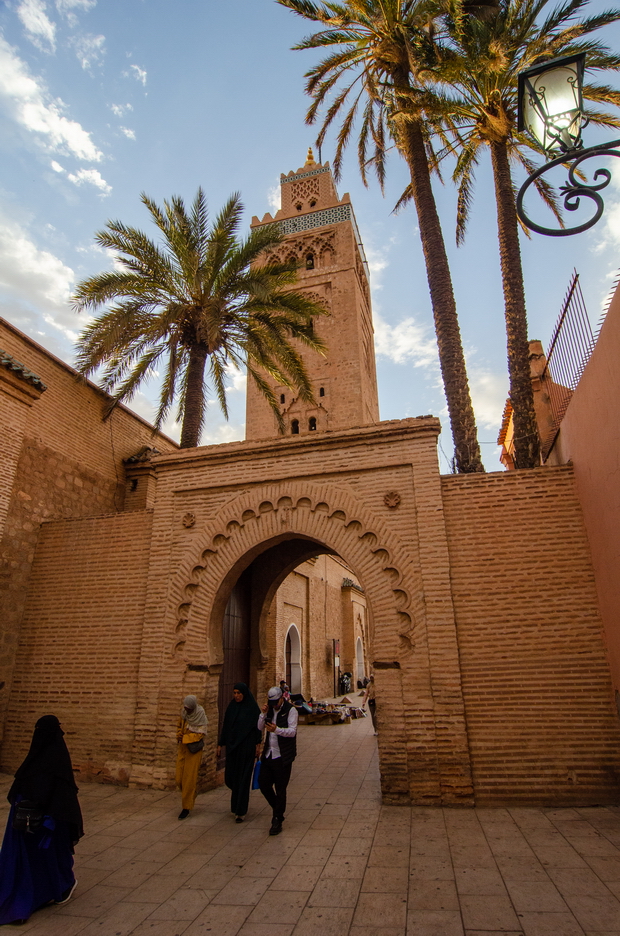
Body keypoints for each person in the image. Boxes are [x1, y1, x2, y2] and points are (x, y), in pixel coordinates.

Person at [0, 714, 84, 925]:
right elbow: (64, 802)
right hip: (47, 824)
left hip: (24, 821)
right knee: (50, 858)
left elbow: (17, 792)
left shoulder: (31, 762)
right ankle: (59, 887)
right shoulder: (58, 762)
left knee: (24, 860)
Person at [217, 683, 262, 823]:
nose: (236, 696)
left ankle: (241, 811)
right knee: (232, 778)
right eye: (234, 693)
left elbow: (257, 728)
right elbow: (226, 726)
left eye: (239, 693)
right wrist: (220, 743)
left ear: (244, 693)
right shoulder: (231, 707)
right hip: (233, 748)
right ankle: (235, 806)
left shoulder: (252, 708)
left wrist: (257, 744)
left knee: (243, 779)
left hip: (246, 748)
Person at [257, 686, 298, 836]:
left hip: (283, 756)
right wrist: (262, 714)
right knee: (263, 784)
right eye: (271, 702)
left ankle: (277, 820)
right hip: (269, 753)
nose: (274, 705)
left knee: (281, 789)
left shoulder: (291, 710)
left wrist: (277, 730)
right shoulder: (269, 709)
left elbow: (292, 731)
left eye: (276, 702)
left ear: (282, 698)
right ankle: (278, 809)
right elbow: (259, 727)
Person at [176, 695, 208, 820]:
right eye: (185, 708)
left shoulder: (200, 715)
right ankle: (190, 794)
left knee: (189, 779)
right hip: (183, 749)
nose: (187, 710)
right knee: (179, 778)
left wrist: (185, 738)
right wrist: (179, 735)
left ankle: (186, 807)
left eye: (189, 708)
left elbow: (200, 734)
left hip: (193, 751)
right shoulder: (184, 714)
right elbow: (179, 726)